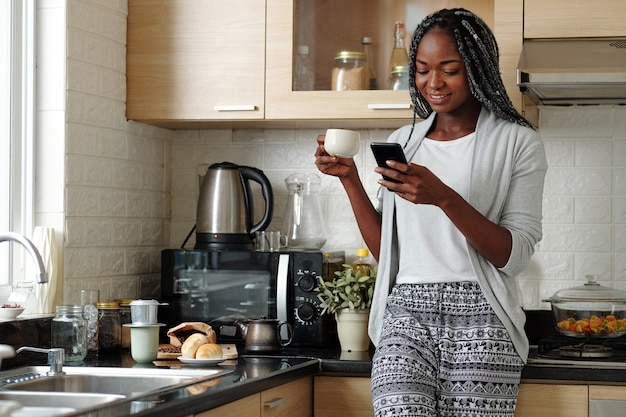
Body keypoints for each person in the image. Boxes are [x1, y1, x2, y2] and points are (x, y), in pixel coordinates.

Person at [314, 8, 547, 417]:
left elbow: (514, 256)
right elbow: (390, 254)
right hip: (406, 313)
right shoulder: (405, 141)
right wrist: (349, 179)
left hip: (484, 317)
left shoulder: (518, 143)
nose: (433, 83)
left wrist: (445, 197)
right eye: (421, 70)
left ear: (476, 69)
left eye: (449, 69)